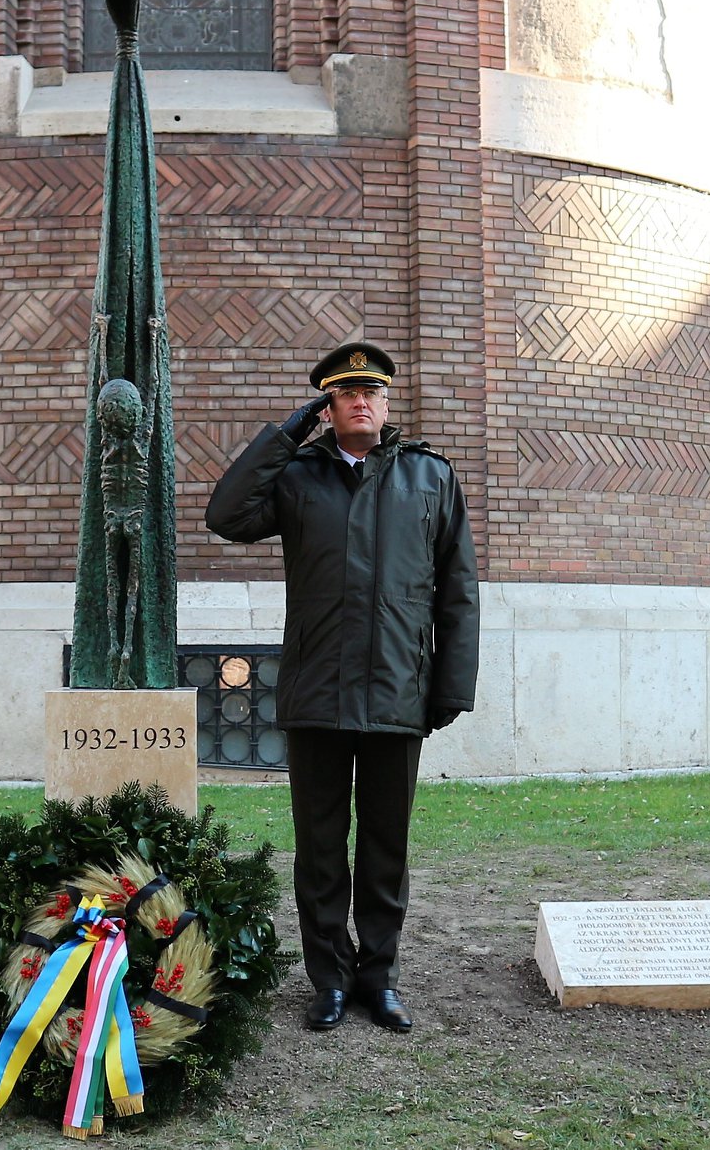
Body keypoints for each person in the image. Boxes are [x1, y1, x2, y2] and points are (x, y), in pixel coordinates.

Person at [205, 340, 479, 1034]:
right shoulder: (298, 478)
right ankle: (328, 979)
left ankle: (378, 977)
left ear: (387, 403)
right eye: (344, 393)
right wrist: (287, 434)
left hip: (396, 691)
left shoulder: (430, 476)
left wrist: (450, 684)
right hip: (318, 692)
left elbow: (459, 590)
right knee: (321, 848)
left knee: (386, 846)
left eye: (372, 391)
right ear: (327, 406)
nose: (361, 401)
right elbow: (227, 515)